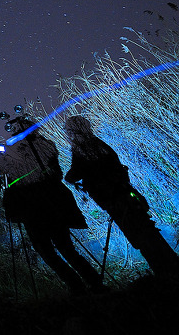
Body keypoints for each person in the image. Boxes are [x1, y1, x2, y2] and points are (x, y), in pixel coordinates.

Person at [0, 116, 106, 294]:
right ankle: (94, 283)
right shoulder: (47, 146)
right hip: (54, 206)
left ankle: (77, 287)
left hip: (32, 211)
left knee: (47, 253)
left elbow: (4, 184)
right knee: (67, 249)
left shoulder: (12, 154)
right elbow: (56, 173)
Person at [64, 115, 179, 277]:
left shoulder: (82, 150)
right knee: (146, 228)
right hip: (124, 193)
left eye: (69, 131)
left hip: (113, 200)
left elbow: (74, 174)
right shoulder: (99, 144)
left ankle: (163, 270)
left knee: (138, 234)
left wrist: (70, 179)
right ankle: (171, 264)